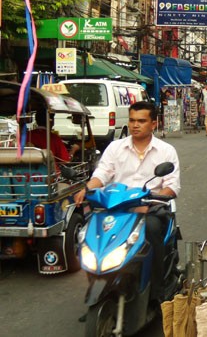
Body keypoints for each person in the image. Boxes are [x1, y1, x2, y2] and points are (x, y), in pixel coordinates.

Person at [73, 101, 180, 302]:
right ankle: (98, 284)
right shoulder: (115, 147)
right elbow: (103, 173)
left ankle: (159, 292)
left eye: (141, 121)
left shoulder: (166, 151)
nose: (135, 125)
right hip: (117, 208)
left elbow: (172, 186)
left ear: (153, 124)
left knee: (152, 230)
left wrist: (151, 202)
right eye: (132, 120)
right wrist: (87, 188)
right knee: (91, 233)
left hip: (151, 208)